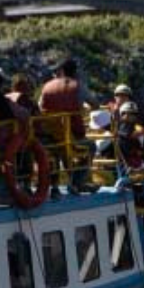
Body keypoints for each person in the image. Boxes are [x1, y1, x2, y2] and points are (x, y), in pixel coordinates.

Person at [38, 57, 95, 194]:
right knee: (91, 147)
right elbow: (95, 104)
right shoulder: (78, 86)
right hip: (71, 136)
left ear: (61, 70)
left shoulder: (47, 86)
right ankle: (77, 182)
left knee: (56, 151)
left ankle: (55, 187)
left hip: (49, 136)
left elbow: (40, 107)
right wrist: (82, 106)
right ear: (75, 72)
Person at [116, 100, 144, 169]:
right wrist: (143, 131)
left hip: (129, 155)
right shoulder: (123, 125)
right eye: (127, 113)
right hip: (126, 158)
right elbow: (127, 135)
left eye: (133, 114)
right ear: (122, 115)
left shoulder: (129, 124)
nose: (130, 116)